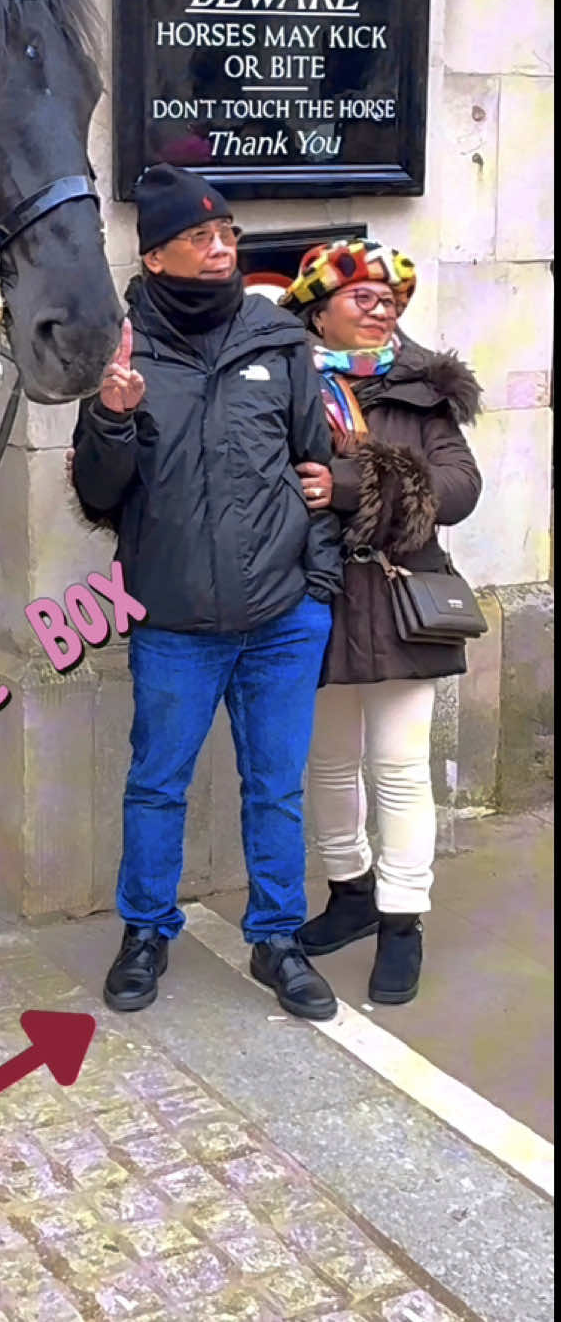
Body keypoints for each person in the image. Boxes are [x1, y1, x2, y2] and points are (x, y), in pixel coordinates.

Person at [71, 164, 344, 1022]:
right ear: (155, 257)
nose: (221, 246)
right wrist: (112, 417)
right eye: (200, 236)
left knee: (276, 785)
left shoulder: (277, 338)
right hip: (177, 622)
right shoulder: (123, 349)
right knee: (157, 782)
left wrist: (319, 588)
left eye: (225, 231)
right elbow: (98, 496)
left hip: (281, 618)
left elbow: (319, 470)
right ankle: (146, 931)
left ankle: (278, 939)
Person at [280, 239, 482, 1004]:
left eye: (390, 298)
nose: (380, 309)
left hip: (403, 604)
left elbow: (460, 486)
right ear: (318, 308)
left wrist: (350, 483)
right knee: (328, 762)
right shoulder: (286, 381)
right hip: (317, 598)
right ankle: (351, 893)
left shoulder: (422, 389)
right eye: (361, 296)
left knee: (399, 768)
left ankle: (403, 920)